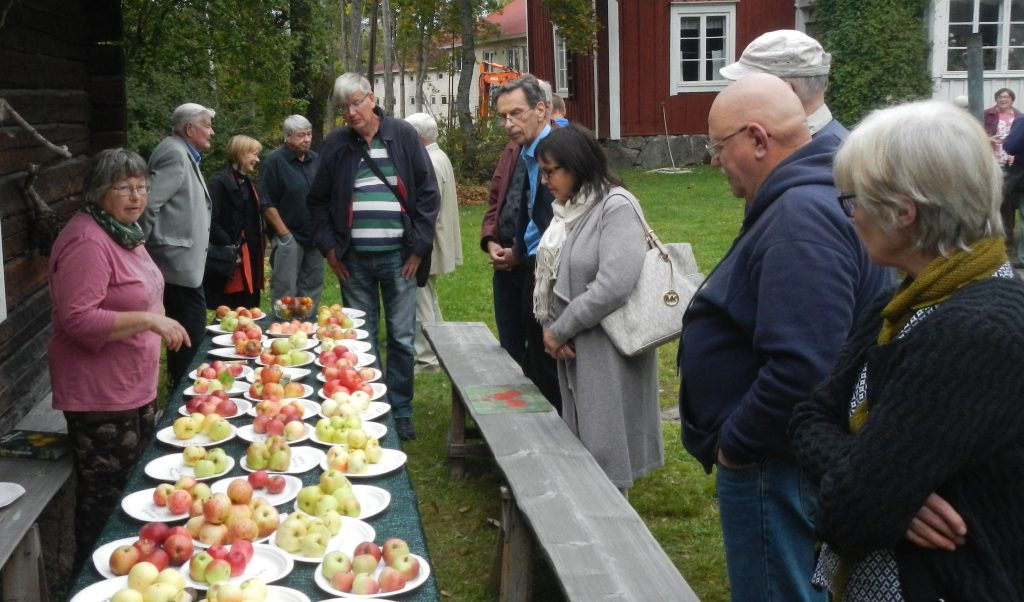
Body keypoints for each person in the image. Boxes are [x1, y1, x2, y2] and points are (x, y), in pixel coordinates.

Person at [790, 99, 1024, 601]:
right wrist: (892, 490)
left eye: (852, 200)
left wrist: (879, 491)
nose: (849, 216)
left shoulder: (973, 333)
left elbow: (852, 514)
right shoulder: (899, 303)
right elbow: (808, 419)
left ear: (902, 212)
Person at [677, 74, 889, 602]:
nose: (714, 159)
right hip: (784, 457)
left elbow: (804, 365)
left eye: (718, 145)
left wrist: (738, 446)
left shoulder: (800, 217)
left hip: (776, 463)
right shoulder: (811, 197)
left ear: (756, 138)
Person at [48, 149, 190, 568]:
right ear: (98, 192)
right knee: (107, 506)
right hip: (100, 396)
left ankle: (132, 576)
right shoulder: (87, 241)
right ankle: (92, 578)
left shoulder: (122, 231)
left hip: (131, 386)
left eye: (142, 187)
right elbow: (78, 319)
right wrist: (149, 320)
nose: (137, 196)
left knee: (133, 494)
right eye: (124, 187)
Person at [308, 73, 439, 441]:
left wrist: (418, 248)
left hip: (400, 258)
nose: (350, 113)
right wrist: (330, 250)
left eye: (355, 103)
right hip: (354, 262)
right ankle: (369, 408)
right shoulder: (336, 145)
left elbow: (428, 195)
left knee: (400, 337)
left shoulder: (402, 135)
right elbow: (316, 201)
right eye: (343, 107)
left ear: (372, 98)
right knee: (359, 340)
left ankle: (400, 412)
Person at [534, 124, 661, 492]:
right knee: (589, 444)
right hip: (582, 346)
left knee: (606, 450)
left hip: (609, 349)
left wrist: (560, 329)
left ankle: (613, 535)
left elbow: (613, 285)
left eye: (550, 171)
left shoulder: (616, 206)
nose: (544, 181)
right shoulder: (573, 209)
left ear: (577, 165)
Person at [479, 74, 562, 411]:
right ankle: (520, 429)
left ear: (541, 109)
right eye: (502, 117)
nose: (508, 124)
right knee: (511, 351)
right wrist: (492, 241)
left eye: (516, 113)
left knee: (546, 361)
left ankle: (555, 435)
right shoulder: (518, 150)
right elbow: (499, 199)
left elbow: (558, 222)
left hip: (548, 276)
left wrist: (520, 253)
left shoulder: (560, 150)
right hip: (515, 267)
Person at [140, 102, 214, 393]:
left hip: (183, 266)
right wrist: (139, 250)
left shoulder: (184, 153)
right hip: (174, 265)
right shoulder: (174, 153)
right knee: (190, 336)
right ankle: (185, 397)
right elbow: (147, 204)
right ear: (189, 129)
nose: (212, 131)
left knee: (187, 334)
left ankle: (181, 390)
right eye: (207, 125)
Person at [405, 112, 463, 372]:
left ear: (418, 137)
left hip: (429, 242)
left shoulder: (429, 161)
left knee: (420, 300)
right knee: (428, 297)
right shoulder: (439, 156)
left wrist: (415, 245)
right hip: (436, 239)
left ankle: (427, 359)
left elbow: (427, 209)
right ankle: (442, 348)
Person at [720, 29, 846, 146]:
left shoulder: (821, 159)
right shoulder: (827, 145)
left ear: (787, 92)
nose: (743, 97)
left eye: (751, 87)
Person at [260, 114, 324, 307]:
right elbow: (266, 202)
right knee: (285, 290)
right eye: (301, 135)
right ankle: (283, 330)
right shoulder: (274, 162)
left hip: (314, 236)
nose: (307, 139)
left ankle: (307, 330)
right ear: (287, 137)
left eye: (309, 134)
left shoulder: (315, 159)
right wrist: (285, 234)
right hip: (289, 237)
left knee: (312, 288)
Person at [203, 134, 265, 309]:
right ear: (242, 153)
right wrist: (230, 247)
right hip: (232, 260)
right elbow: (210, 220)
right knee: (230, 309)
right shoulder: (219, 182)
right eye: (254, 154)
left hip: (251, 258)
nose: (257, 159)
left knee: (250, 307)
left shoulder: (248, 183)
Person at [984, 88, 1023, 262]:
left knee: (1009, 203)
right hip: (993, 159)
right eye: (1000, 97)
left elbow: (1014, 143)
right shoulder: (988, 114)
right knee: (994, 200)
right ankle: (991, 237)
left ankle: (1008, 241)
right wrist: (988, 139)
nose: (1003, 99)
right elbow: (977, 130)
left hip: (1012, 161)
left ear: (1012, 100)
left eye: (1006, 97)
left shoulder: (1019, 116)